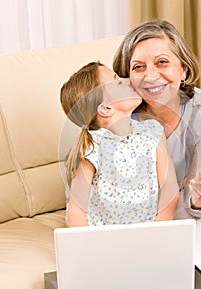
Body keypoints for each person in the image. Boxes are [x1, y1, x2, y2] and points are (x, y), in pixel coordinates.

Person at [113, 19, 201, 250]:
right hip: (135, 213)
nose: (150, 75)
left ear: (183, 70)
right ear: (127, 78)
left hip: (182, 205)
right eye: (138, 67)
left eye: (162, 62)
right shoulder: (116, 114)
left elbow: (198, 196)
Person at [60, 61, 179, 227]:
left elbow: (169, 187)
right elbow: (76, 208)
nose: (127, 79)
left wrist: (159, 230)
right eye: (117, 81)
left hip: (149, 232)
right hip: (106, 239)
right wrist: (85, 247)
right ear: (105, 109)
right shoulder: (94, 145)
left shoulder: (152, 131)